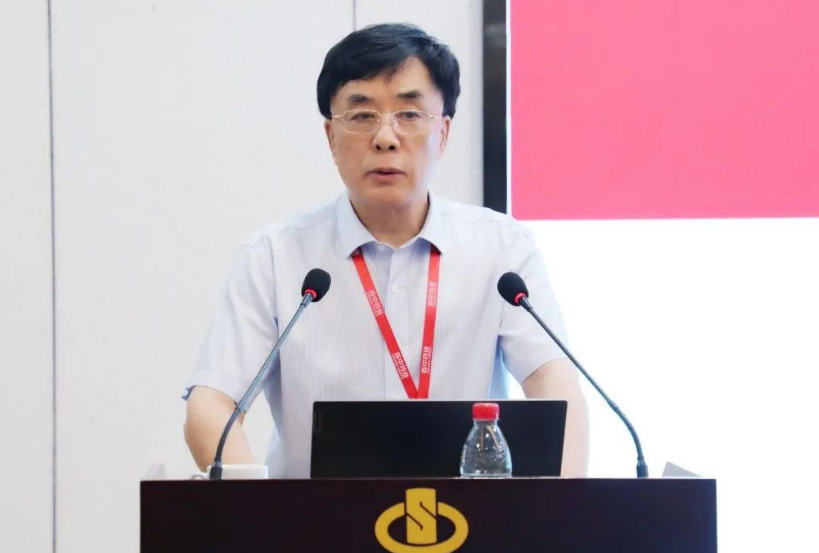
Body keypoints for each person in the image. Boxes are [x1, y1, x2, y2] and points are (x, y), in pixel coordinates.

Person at [184, 23, 589, 478]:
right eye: (361, 116)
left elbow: (554, 384)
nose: (385, 137)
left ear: (443, 133)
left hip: (469, 518)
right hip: (314, 518)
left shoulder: (501, 247)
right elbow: (211, 405)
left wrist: (562, 508)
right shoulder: (274, 257)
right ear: (331, 137)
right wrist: (263, 510)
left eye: (410, 114)